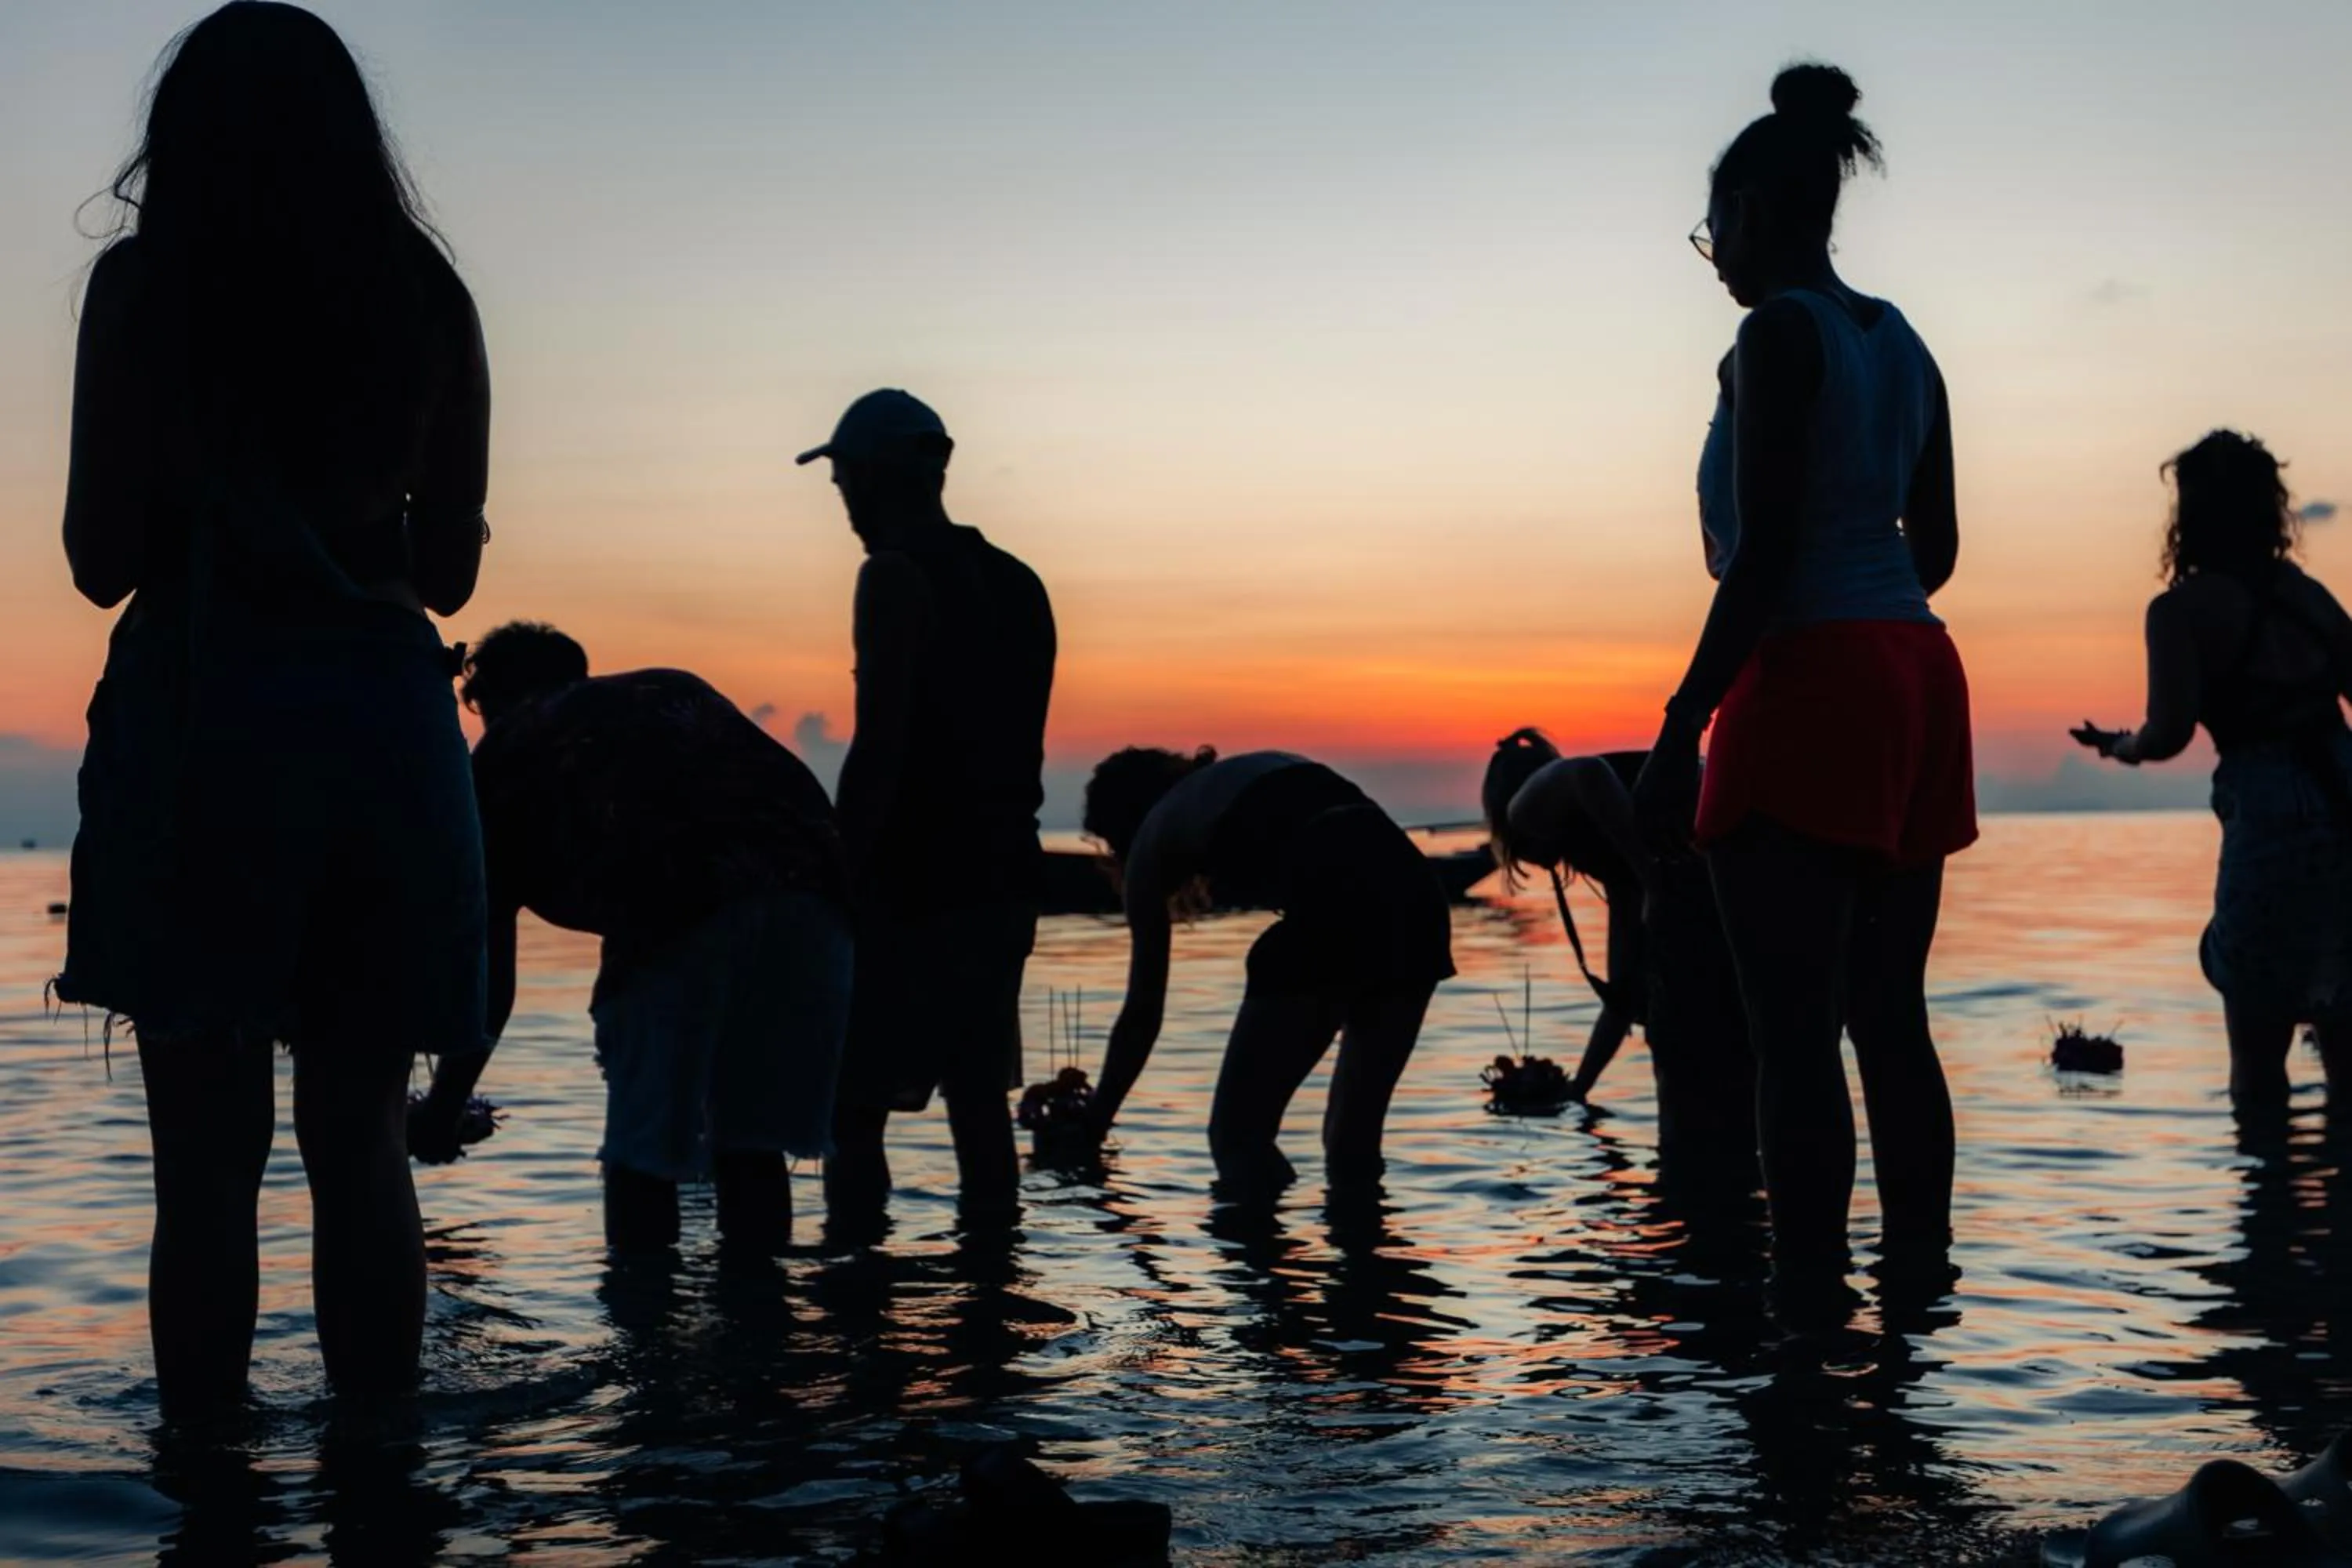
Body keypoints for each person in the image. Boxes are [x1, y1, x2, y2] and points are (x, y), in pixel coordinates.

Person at [51, 2, 492, 1414]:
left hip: (206, 717)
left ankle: (208, 1497)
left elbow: (97, 560)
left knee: (206, 1165)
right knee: (359, 1139)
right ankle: (378, 1491)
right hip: (381, 726)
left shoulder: (143, 292)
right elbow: (445, 572)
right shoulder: (429, 299)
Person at [1629, 64, 1973, 1323]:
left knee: (1792, 1037)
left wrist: (1679, 731)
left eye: (1712, 227)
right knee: (1891, 1017)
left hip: (1813, 673)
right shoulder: (1904, 341)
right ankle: (1920, 1295)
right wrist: (1857, 566)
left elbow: (1765, 559)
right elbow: (1934, 549)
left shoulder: (1775, 334)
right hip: (1915, 668)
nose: (1710, 252)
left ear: (1755, 215)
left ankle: (1809, 1313)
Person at [411, 623, 854, 1255]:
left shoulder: (508, 748)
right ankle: (760, 1330)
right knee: (752, 1145)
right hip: (818, 904)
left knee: (642, 1156)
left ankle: (642, 1341)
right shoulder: (669, 688)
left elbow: (491, 984)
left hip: (682, 913)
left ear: (491, 697)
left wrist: (440, 1110)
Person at [797, 390, 1056, 1232]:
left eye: (845, 485)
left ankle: (857, 1289)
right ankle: (991, 1302)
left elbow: (882, 746)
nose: (845, 510)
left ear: (875, 480)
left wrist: (840, 866)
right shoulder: (1021, 583)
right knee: (978, 1095)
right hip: (1008, 871)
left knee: (853, 1099)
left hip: (915, 878)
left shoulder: (893, 575)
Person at [2073, 432, 2352, 1118]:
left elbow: (2167, 734)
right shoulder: (2308, 595)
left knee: (2258, 1061)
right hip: (2346, 800)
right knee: (2345, 1045)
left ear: (2188, 517)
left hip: (2268, 821)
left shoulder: (2180, 613)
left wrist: (2120, 748)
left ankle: (2267, 1207)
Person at [1081, 748, 1455, 1195]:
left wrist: (1093, 1125)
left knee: (1237, 1138)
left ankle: (1258, 1260)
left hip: (1334, 895)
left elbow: (1142, 1014)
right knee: (1351, 1145)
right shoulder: (1257, 767)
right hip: (1418, 901)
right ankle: (1364, 1257)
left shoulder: (1153, 834)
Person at [1481, 730, 1755, 1189]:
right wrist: (1577, 1090)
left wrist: (1650, 878)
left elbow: (1587, 772)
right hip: (1738, 865)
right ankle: (1718, 1197)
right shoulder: (1620, 867)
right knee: (1717, 1057)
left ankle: (1691, 1196)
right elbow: (1621, 994)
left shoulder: (1522, 808)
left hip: (1733, 848)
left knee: (1684, 1051)